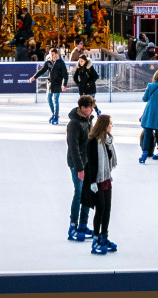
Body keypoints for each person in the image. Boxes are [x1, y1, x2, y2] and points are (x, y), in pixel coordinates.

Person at [82, 113, 118, 254]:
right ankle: (96, 239)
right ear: (104, 125)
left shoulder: (107, 140)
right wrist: (92, 182)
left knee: (107, 208)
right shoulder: (92, 142)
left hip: (106, 178)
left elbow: (109, 160)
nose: (111, 125)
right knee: (100, 208)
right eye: (110, 123)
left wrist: (109, 148)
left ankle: (104, 236)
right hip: (97, 179)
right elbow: (90, 163)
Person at [66, 94, 96, 242]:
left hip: (88, 162)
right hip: (77, 164)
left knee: (87, 194)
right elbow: (73, 147)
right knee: (79, 194)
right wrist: (79, 168)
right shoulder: (74, 124)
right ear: (83, 108)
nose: (92, 110)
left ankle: (83, 224)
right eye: (90, 108)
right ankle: (73, 225)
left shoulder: (89, 120)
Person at [35, 47, 69, 125]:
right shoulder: (48, 62)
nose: (51, 56)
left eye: (53, 54)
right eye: (50, 54)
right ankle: (54, 114)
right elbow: (42, 70)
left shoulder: (60, 62)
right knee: (48, 98)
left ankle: (56, 116)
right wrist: (34, 77)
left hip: (58, 83)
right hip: (50, 83)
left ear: (56, 54)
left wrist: (64, 84)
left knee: (56, 99)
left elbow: (65, 74)